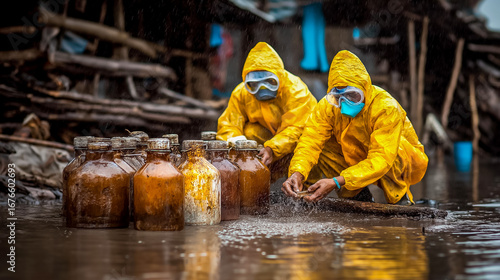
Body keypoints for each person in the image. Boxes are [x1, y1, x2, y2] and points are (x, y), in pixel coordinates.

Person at [282, 50, 428, 205]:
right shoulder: (326, 107)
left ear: (365, 89)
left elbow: (381, 157)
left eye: (352, 96)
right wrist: (297, 173)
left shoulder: (385, 107)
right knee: (321, 148)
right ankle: (355, 195)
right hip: (355, 153)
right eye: (338, 97)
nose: (344, 103)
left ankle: (398, 196)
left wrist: (336, 182)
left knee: (393, 150)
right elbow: (310, 142)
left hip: (395, 157)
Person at [216, 42, 317, 180]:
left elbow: (297, 129)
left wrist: (272, 149)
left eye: (269, 81)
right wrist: (239, 145)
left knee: (308, 148)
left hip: (296, 143)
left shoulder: (296, 90)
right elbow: (228, 124)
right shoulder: (242, 93)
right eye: (254, 84)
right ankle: (256, 180)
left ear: (279, 76)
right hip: (269, 142)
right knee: (249, 133)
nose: (262, 88)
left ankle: (306, 191)